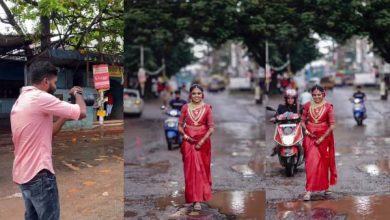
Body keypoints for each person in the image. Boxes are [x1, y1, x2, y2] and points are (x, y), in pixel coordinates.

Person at [10, 60, 87, 220]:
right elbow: (82, 112)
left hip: (25, 175)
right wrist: (77, 93)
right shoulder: (40, 98)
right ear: (45, 82)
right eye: (54, 82)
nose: (55, 86)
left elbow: (49, 132)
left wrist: (64, 117)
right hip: (39, 175)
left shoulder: (22, 99)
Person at [178, 84, 215, 211]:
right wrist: (186, 137)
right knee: (190, 171)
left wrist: (201, 141)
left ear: (202, 95)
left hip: (203, 143)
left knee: (200, 171)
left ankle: (198, 199)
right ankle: (193, 199)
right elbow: (179, 126)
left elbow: (211, 128)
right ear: (190, 95)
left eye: (199, 93)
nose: (196, 96)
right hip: (188, 142)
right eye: (194, 93)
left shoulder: (207, 108)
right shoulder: (185, 107)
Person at [301, 85, 337, 201]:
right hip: (310, 137)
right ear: (312, 95)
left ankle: (326, 186)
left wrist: (322, 138)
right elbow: (302, 120)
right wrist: (306, 130)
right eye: (314, 95)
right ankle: (309, 191)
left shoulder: (328, 107)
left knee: (324, 163)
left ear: (323, 94)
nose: (316, 97)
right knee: (310, 163)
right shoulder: (307, 105)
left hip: (324, 138)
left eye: (319, 95)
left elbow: (332, 125)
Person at [270, 89, 301, 156]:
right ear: (286, 99)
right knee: (277, 135)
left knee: (304, 138)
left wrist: (304, 118)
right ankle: (276, 148)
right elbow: (276, 115)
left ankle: (304, 150)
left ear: (295, 99)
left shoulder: (298, 107)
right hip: (283, 127)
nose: (290, 100)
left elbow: (304, 114)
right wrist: (274, 118)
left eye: (292, 98)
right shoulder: (281, 106)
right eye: (288, 98)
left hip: (296, 127)